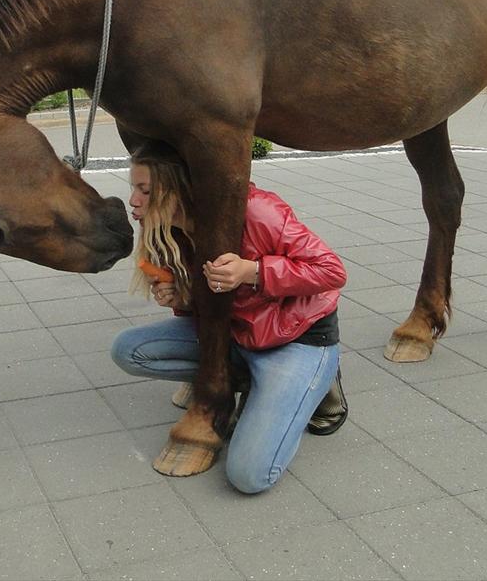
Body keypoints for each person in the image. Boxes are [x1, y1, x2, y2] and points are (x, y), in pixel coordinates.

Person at [111, 143, 349, 494]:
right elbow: (213, 303)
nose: (133, 200)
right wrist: (182, 297)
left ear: (179, 189)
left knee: (249, 476)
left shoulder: (256, 210)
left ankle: (317, 381)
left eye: (145, 190)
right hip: (235, 336)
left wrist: (254, 271)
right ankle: (247, 379)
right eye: (133, 188)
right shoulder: (169, 231)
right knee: (128, 350)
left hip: (294, 341)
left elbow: (332, 270)